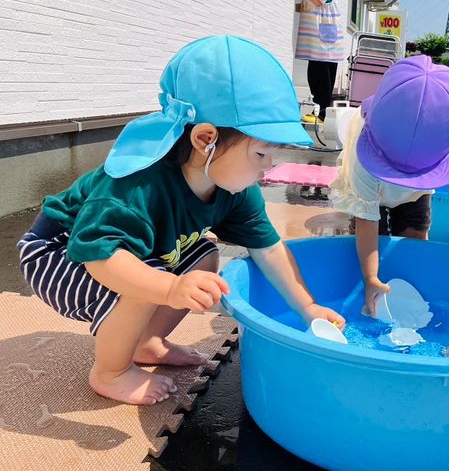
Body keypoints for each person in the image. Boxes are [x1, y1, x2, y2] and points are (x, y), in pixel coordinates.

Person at [16, 36, 345, 405]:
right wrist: (168, 289)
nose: (269, 167)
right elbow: (99, 255)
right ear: (207, 139)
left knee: (203, 256)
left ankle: (147, 343)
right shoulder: (137, 186)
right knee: (148, 282)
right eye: (261, 153)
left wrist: (308, 307)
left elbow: (269, 250)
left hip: (115, 249)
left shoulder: (235, 190)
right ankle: (110, 372)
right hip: (60, 252)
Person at [330, 55, 449, 315]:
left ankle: (407, 284)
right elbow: (367, 221)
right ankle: (370, 280)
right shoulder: (362, 153)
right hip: (371, 190)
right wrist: (370, 279)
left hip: (416, 195)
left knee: (414, 236)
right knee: (370, 237)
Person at [295, 0, 345, 123]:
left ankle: (321, 113)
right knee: (316, 74)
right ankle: (319, 111)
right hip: (320, 37)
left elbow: (318, 1)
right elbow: (309, 5)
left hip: (323, 40)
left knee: (320, 75)